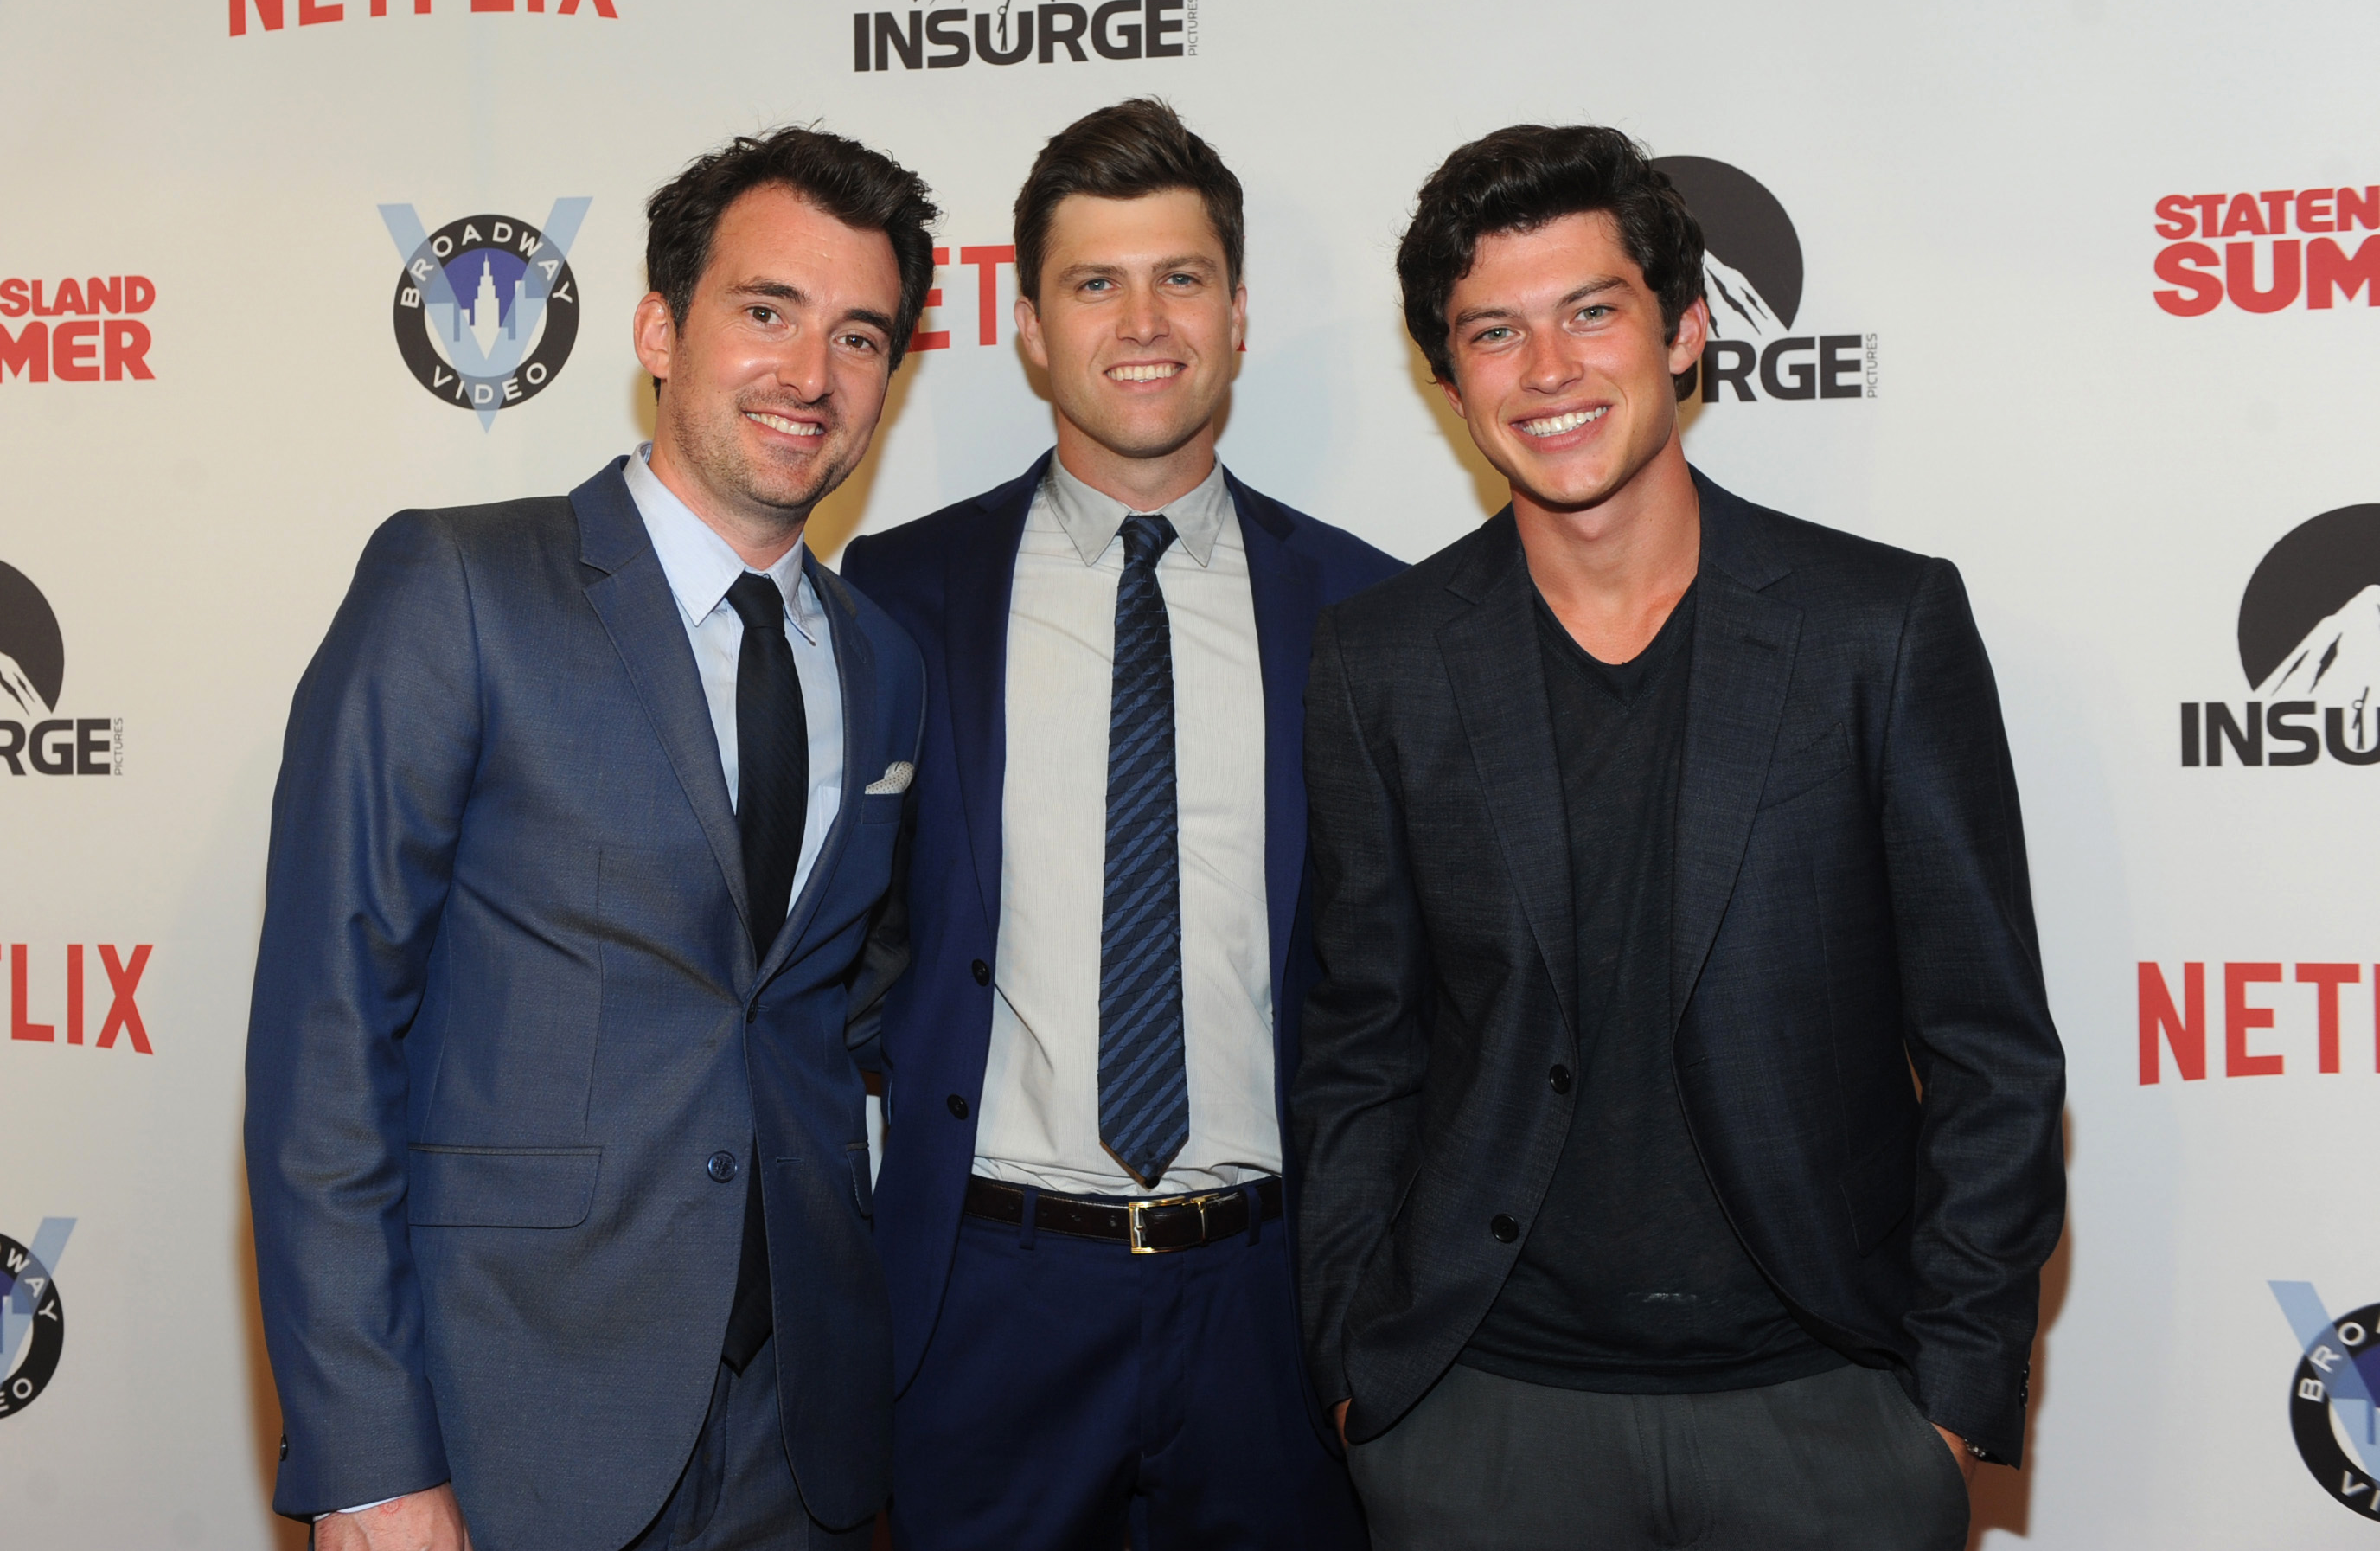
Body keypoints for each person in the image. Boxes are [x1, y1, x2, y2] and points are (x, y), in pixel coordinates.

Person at [1292, 124, 2066, 1551]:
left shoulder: (1876, 632)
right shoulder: (1380, 661)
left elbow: (1992, 1050)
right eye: (1494, 334)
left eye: (1592, 311)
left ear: (1688, 330)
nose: (1550, 371)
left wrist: (1945, 1401)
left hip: (1829, 1412)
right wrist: (1363, 1371)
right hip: (1482, 1424)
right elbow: (1359, 1046)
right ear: (1450, 377)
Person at [244, 126, 938, 1551]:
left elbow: (828, 1006)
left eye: (859, 336)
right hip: (510, 1424)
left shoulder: (887, 663)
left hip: (800, 1442)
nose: (810, 376)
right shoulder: (461, 588)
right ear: (658, 329)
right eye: (766, 312)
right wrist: (370, 1461)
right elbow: (327, 1042)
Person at [841, 99, 1394, 1551]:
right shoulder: (894, 598)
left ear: (1238, 314)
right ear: (1029, 327)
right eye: (1095, 282)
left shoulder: (1372, 614)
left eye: (1182, 277)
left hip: (1277, 1308)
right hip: (988, 1302)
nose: (1143, 319)